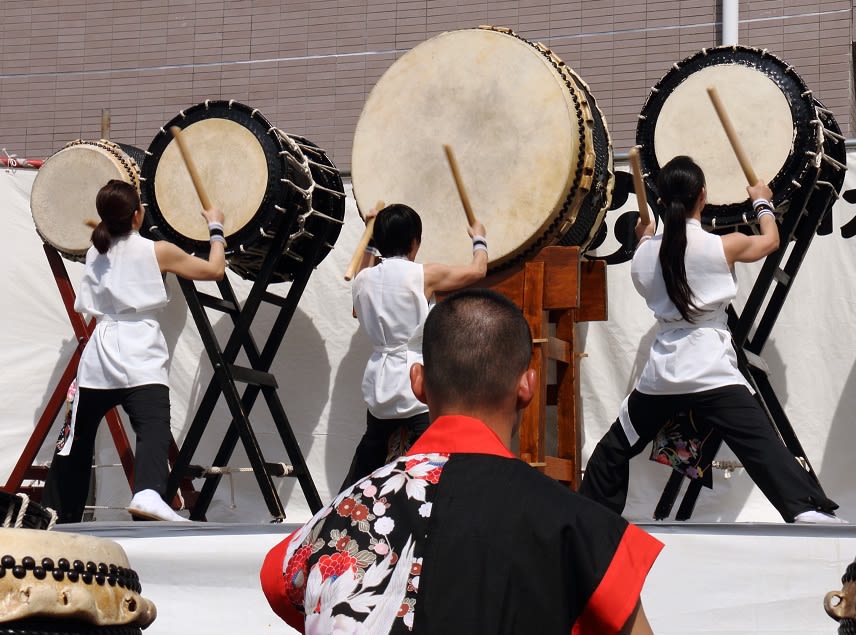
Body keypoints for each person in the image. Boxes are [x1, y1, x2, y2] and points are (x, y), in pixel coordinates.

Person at [261, 289, 662, 634]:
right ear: (528, 385)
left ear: (417, 383)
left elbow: (280, 583)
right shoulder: (579, 529)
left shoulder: (337, 516)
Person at [578, 155, 842, 524]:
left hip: (662, 375)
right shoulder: (722, 245)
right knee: (759, 443)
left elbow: (660, 252)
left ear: (659, 199)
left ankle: (590, 517)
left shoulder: (643, 255)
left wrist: (644, 238)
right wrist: (761, 200)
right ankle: (805, 510)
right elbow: (771, 240)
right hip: (710, 369)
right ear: (702, 196)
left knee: (615, 447)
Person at [42, 179, 226, 523]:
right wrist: (216, 226)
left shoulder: (95, 249)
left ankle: (60, 512)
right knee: (152, 425)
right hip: (138, 347)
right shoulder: (158, 251)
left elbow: (109, 234)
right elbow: (215, 269)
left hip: (98, 355)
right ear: (138, 216)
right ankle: (148, 493)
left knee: (76, 438)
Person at [341, 203, 488, 489]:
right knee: (434, 456)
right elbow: (478, 270)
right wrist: (479, 237)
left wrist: (369, 235)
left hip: (379, 382)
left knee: (368, 461)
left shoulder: (362, 280)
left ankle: (340, 515)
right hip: (415, 380)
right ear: (414, 242)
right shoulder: (423, 275)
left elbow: (357, 311)